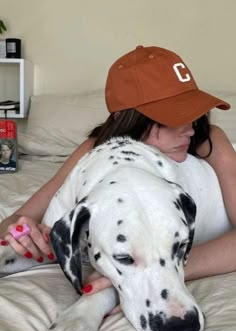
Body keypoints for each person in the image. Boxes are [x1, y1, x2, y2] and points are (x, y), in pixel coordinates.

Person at [0, 45, 235, 308]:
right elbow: (19, 217)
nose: (189, 130)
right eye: (171, 118)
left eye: (191, 112)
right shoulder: (95, 151)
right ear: (128, 118)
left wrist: (160, 272)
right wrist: (20, 233)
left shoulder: (208, 140)